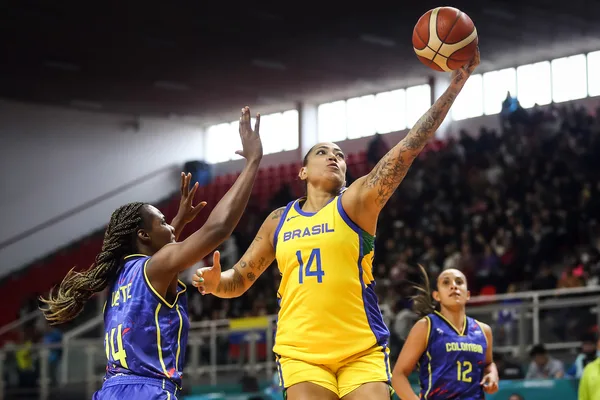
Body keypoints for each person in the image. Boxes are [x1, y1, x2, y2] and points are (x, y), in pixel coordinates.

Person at [193, 51, 481, 400]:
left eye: (340, 155)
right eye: (322, 152)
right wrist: (215, 283)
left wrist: (453, 88)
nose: (334, 157)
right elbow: (239, 280)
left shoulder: (356, 202)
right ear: (302, 172)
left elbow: (407, 149)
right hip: (302, 353)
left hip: (361, 349)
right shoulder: (278, 220)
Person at [39, 106, 263, 400]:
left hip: (110, 390)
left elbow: (164, 263)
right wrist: (252, 162)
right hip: (147, 391)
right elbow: (217, 229)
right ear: (143, 235)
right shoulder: (154, 268)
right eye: (162, 221)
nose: (169, 225)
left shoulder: (120, 275)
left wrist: (176, 225)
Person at [391, 267, 499, 400]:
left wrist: (492, 374)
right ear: (437, 295)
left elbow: (488, 364)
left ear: (468, 295)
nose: (454, 286)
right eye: (446, 283)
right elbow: (398, 375)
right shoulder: (426, 326)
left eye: (459, 282)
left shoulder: (483, 330)